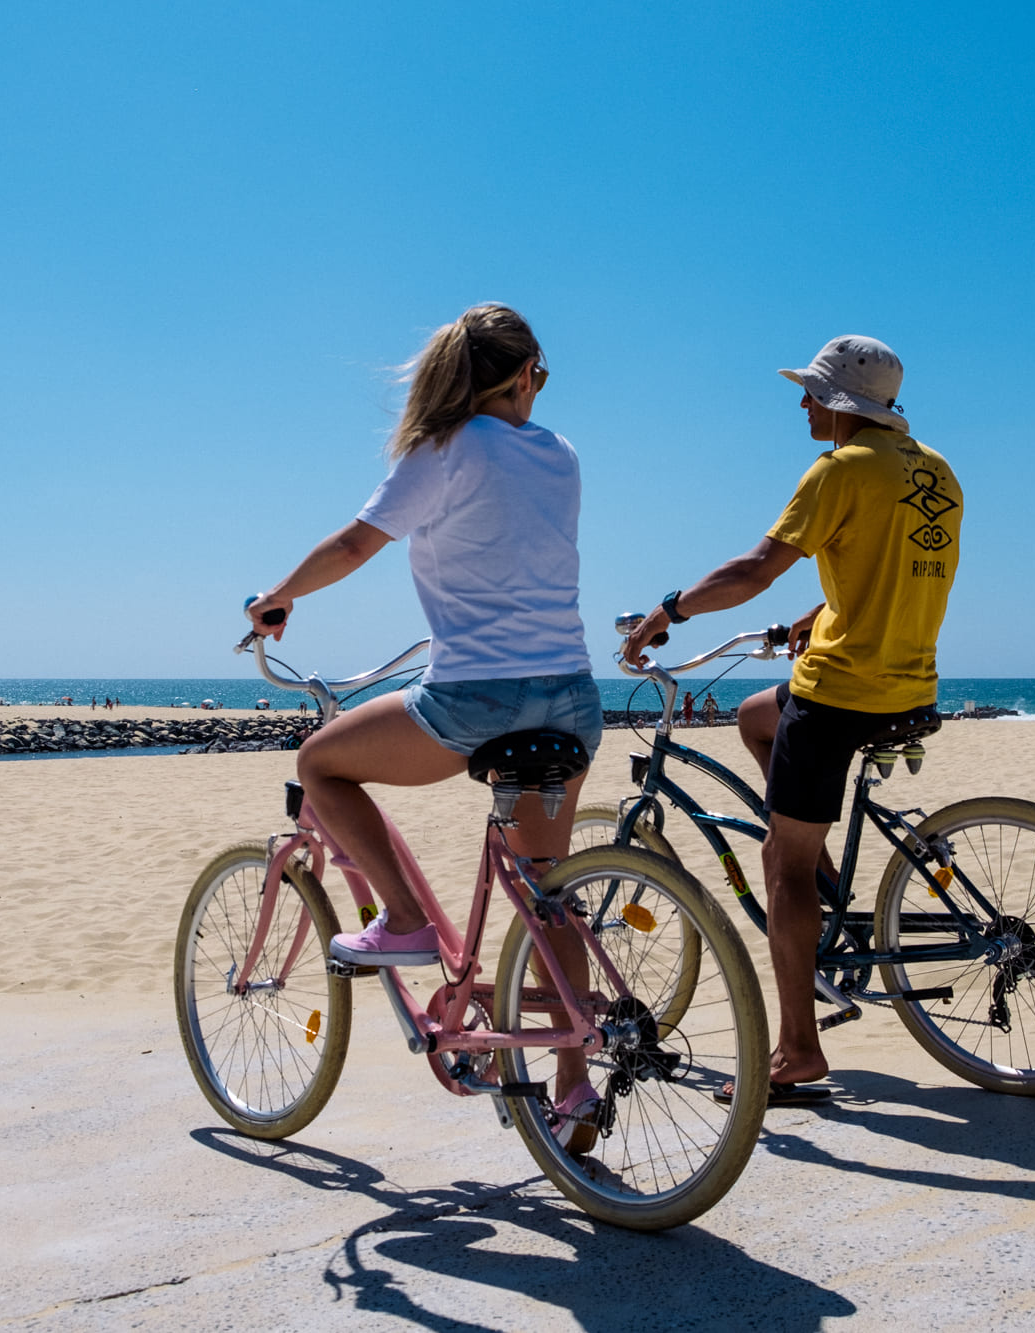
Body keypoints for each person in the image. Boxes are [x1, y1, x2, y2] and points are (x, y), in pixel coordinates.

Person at [246, 302, 603, 1146]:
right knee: (546, 890)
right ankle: (576, 1082)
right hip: (574, 697)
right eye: (539, 377)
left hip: (478, 697)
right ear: (523, 376)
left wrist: (278, 597)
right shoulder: (562, 454)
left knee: (323, 762)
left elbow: (355, 544)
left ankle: (402, 918)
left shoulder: (443, 448)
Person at [623, 335, 961, 1105]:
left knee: (783, 865)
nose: (801, 403)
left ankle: (798, 1050)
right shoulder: (936, 471)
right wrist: (819, 609)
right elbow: (890, 566)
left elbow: (754, 568)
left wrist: (666, 611)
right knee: (751, 716)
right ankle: (823, 882)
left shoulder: (840, 469)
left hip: (841, 692)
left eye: (810, 392)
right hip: (910, 682)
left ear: (841, 403)